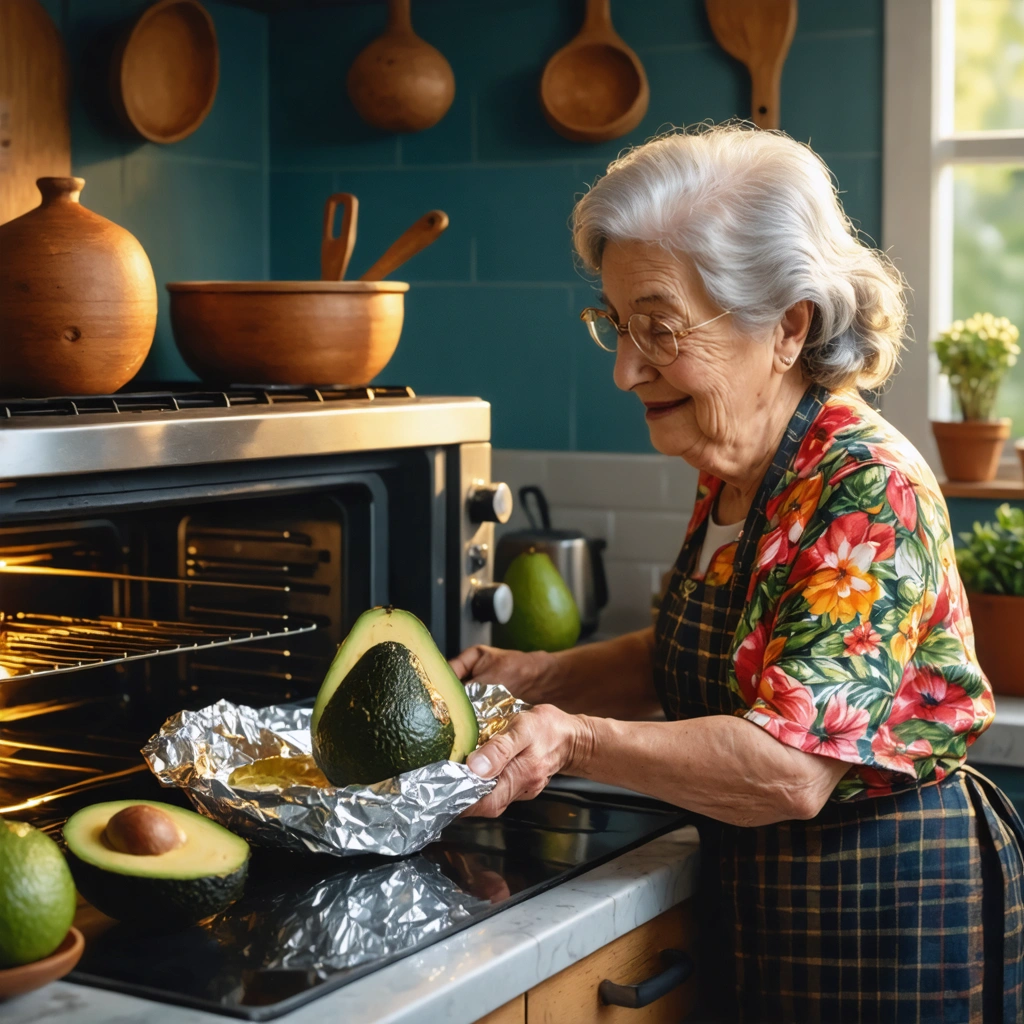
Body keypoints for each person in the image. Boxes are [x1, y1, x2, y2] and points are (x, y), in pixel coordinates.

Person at [451, 124, 1024, 1023]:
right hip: (768, 893)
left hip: (882, 911)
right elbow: (727, 648)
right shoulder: (740, 467)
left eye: (659, 328)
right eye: (616, 323)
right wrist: (543, 677)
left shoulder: (864, 488)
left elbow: (792, 767)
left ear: (787, 326)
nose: (624, 368)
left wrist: (573, 738)